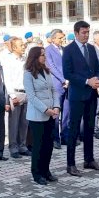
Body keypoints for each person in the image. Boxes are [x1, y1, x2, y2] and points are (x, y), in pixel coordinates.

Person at [63, 20, 99, 176]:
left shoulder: (91, 49)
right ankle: (70, 164)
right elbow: (68, 73)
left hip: (92, 94)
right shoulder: (68, 50)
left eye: (88, 32)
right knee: (73, 129)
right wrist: (87, 81)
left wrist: (97, 80)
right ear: (76, 33)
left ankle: (89, 159)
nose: (86, 35)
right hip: (77, 95)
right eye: (83, 32)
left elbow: (98, 69)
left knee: (89, 128)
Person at [23, 47, 60, 185]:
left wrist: (56, 106)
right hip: (37, 115)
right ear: (35, 57)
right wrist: (46, 110)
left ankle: (46, 170)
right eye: (42, 55)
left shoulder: (46, 71)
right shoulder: (28, 74)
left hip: (51, 113)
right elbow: (31, 97)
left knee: (48, 145)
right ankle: (37, 173)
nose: (44, 57)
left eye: (44, 55)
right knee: (38, 145)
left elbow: (53, 90)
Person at [2, 36, 29, 158]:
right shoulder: (9, 61)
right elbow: (7, 79)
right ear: (14, 47)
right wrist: (12, 96)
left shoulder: (25, 59)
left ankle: (22, 145)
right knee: (14, 122)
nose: (24, 47)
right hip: (15, 94)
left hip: (26, 93)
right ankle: (13, 147)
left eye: (24, 45)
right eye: (21, 45)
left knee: (24, 122)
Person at [45, 29, 69, 149]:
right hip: (56, 84)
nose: (62, 40)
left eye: (63, 38)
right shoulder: (48, 50)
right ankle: (55, 139)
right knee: (56, 113)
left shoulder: (64, 49)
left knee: (66, 112)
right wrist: (63, 80)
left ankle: (65, 136)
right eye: (60, 38)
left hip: (67, 85)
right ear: (53, 38)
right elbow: (51, 67)